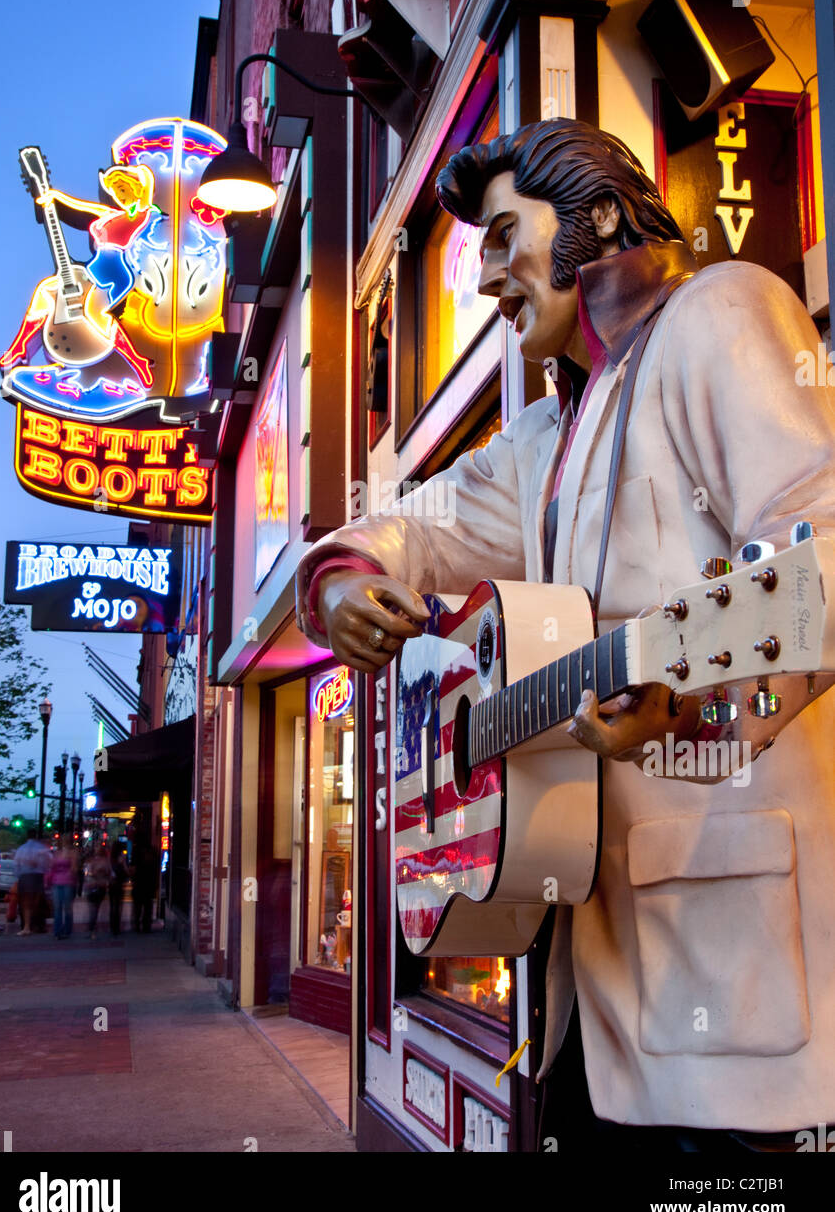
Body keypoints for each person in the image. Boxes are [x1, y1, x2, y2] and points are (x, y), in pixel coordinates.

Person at [295, 117, 835, 1150]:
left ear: (591, 219)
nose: (486, 272)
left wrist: (698, 704)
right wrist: (341, 580)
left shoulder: (721, 312)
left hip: (740, 975)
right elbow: (410, 528)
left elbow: (817, 561)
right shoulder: (540, 436)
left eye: (501, 235)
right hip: (582, 997)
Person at [13, 829, 52, 934]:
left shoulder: (21, 849)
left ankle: (26, 926)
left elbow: (16, 864)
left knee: (25, 903)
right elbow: (49, 862)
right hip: (38, 877)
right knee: (37, 902)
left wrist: (18, 876)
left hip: (25, 877)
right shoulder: (41, 848)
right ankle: (36, 925)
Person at [46, 842, 77, 940]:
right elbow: (51, 867)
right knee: (58, 907)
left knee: (66, 907)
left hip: (67, 882)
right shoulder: (56, 853)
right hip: (57, 882)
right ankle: (58, 931)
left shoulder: (71, 853)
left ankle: (66, 930)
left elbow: (74, 868)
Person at [84, 844, 112, 939]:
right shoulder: (105, 861)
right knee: (95, 909)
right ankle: (92, 929)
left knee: (93, 909)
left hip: (95, 886)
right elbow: (109, 873)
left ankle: (91, 929)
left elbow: (89, 873)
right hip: (99, 886)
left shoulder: (94, 861)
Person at [108, 842, 129, 937]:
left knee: (112, 905)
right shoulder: (121, 857)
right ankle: (116, 927)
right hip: (119, 883)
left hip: (112, 884)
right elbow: (125, 870)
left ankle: (112, 926)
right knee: (118, 905)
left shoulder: (111, 858)